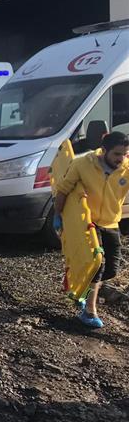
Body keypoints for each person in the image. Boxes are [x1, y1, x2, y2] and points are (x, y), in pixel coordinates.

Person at [54, 131, 128, 329]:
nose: (121, 159)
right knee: (97, 264)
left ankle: (85, 288)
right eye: (117, 154)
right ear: (103, 151)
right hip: (88, 222)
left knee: (112, 269)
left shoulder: (126, 169)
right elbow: (63, 189)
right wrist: (58, 216)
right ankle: (88, 311)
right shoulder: (82, 164)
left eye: (125, 154)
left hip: (111, 222)